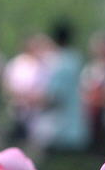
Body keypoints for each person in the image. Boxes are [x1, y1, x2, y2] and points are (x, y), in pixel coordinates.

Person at [31, 20, 89, 151]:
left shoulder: (59, 63)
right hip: (76, 126)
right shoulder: (76, 59)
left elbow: (54, 96)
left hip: (59, 130)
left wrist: (33, 100)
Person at [3, 34, 54, 143]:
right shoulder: (16, 64)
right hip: (18, 109)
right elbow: (8, 86)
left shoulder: (45, 65)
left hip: (38, 111)